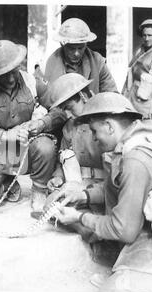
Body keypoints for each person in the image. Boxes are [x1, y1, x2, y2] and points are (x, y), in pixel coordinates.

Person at [48, 92, 152, 292]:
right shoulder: (134, 140)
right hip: (147, 223)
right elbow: (118, 188)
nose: (93, 137)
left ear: (110, 127)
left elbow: (123, 229)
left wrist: (79, 217)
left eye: (94, 131)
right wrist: (83, 195)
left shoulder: (136, 159)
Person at [0, 40, 59, 213]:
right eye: (4, 74)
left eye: (13, 71)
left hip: (28, 149)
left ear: (19, 65)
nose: (10, 78)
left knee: (45, 146)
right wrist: (4, 136)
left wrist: (41, 123)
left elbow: (60, 109)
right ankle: (6, 185)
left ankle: (39, 190)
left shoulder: (34, 83)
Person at [43, 73, 107, 242]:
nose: (67, 114)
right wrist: (57, 177)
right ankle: (84, 228)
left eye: (70, 107)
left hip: (105, 185)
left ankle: (88, 223)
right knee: (50, 203)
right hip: (78, 183)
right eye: (63, 109)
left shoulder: (106, 120)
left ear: (83, 96)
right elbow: (62, 158)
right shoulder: (68, 129)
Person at [44, 18, 118, 97]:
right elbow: (48, 99)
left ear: (86, 44)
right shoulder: (52, 62)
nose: (76, 53)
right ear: (63, 45)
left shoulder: (97, 62)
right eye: (71, 49)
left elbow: (112, 95)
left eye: (80, 48)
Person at [122, 19, 152, 128]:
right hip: (131, 100)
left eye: (150, 35)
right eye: (144, 35)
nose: (146, 38)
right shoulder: (138, 52)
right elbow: (129, 74)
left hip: (147, 104)